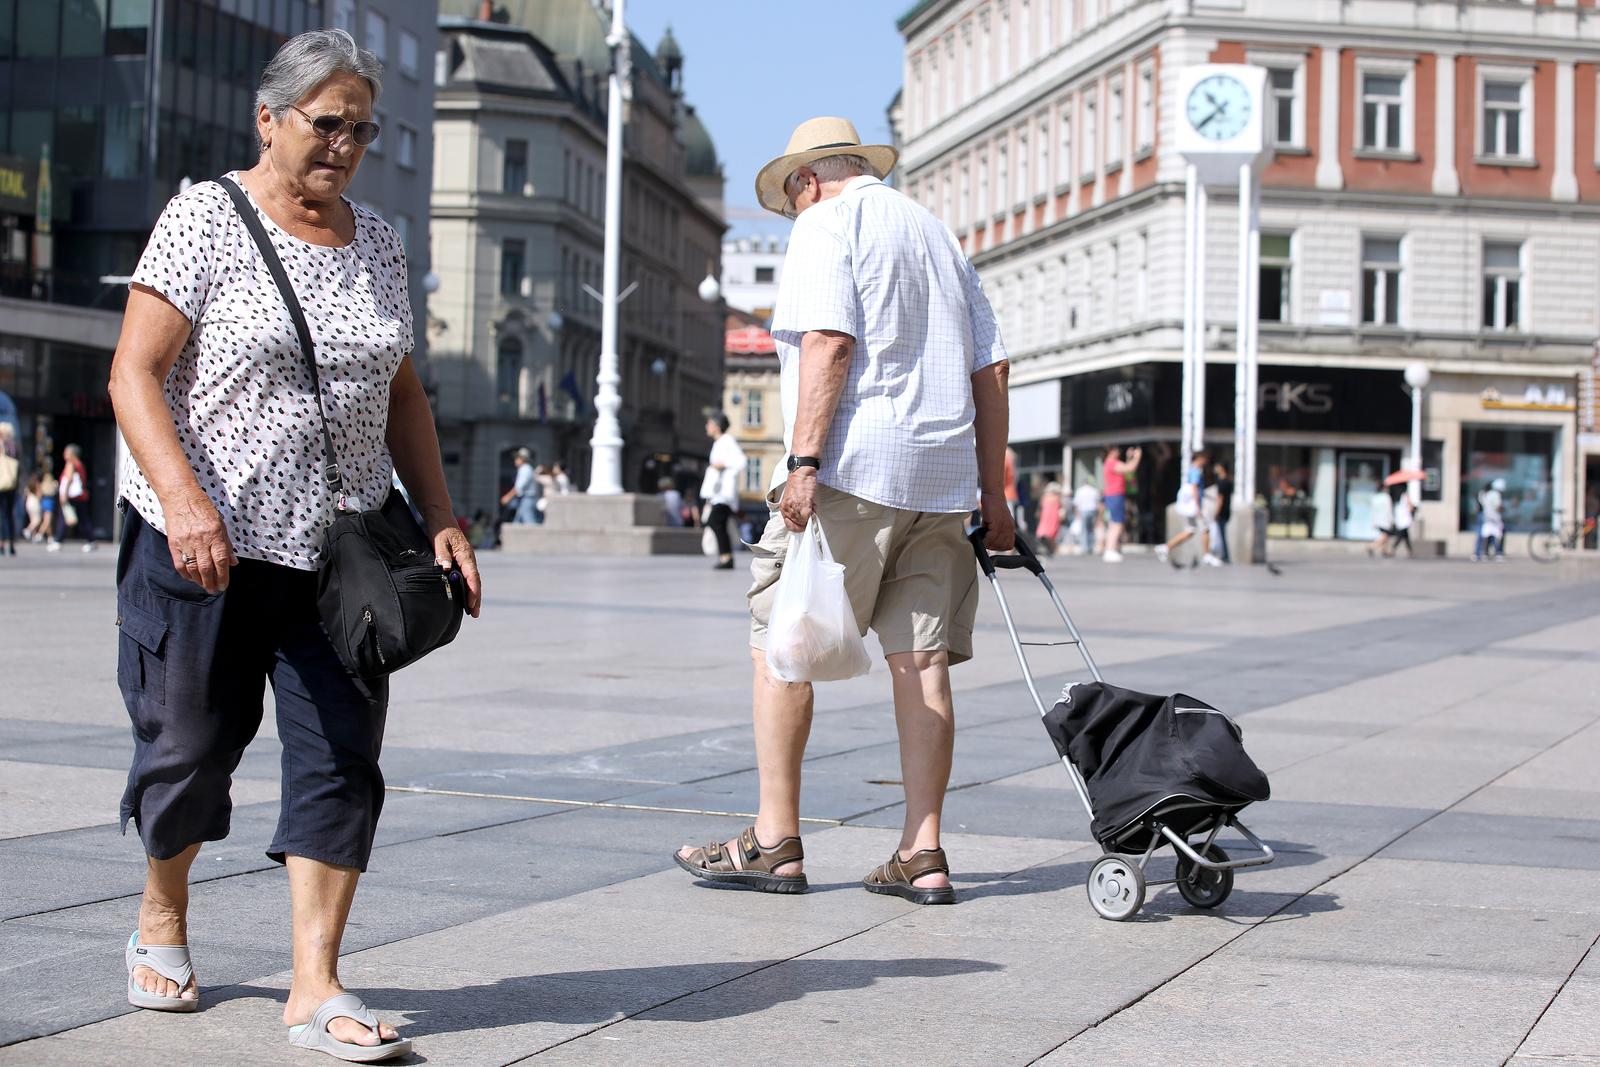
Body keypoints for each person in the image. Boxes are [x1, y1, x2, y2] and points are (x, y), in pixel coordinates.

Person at [105, 29, 480, 1061]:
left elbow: (403, 386)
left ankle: (314, 983)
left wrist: (441, 512)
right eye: (328, 125)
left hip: (340, 551)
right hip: (206, 544)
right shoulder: (202, 220)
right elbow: (133, 373)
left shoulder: (381, 244)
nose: (346, 146)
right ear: (267, 119)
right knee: (187, 748)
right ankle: (162, 915)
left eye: (363, 128)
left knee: (341, 758)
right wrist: (184, 503)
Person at [674, 117, 1014, 905]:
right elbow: (992, 365)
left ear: (806, 181)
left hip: (855, 469)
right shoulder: (935, 231)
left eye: (789, 199)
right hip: (940, 479)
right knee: (922, 662)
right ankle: (921, 850)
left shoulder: (827, 223)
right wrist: (992, 492)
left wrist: (802, 463)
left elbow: (828, 341)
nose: (791, 213)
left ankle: (773, 839)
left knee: (782, 639)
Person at [1156, 452, 1219, 567]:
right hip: (1195, 505)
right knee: (1205, 529)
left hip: (1193, 505)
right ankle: (1207, 555)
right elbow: (1194, 488)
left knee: (1190, 530)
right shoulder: (1196, 471)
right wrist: (1197, 506)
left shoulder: (1192, 470)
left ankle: (1166, 547)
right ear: (1199, 458)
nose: (1205, 462)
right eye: (1204, 459)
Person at [702, 412, 746, 570]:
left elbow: (741, 461)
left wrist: (723, 464)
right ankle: (725, 557)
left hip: (724, 494)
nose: (706, 427)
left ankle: (726, 557)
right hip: (718, 493)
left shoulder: (727, 440)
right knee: (717, 522)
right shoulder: (719, 442)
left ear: (716, 425)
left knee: (715, 521)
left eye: (709, 424)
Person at [1101, 445, 1141, 562]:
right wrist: (1137, 457)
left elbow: (1125, 470)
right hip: (1115, 495)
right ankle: (1110, 550)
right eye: (1117, 450)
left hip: (1112, 495)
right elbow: (1130, 469)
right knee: (1117, 523)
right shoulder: (1112, 463)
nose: (1119, 452)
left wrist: (1129, 458)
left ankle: (1110, 549)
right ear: (1111, 451)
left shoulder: (1109, 463)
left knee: (1114, 523)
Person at [58, 443, 94, 551]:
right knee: (83, 519)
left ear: (71, 454)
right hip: (81, 496)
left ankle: (57, 540)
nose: (64, 454)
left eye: (66, 452)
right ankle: (90, 540)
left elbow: (68, 479)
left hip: (73, 496)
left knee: (64, 517)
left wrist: (64, 494)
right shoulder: (80, 464)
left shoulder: (71, 464)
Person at [500, 447, 540, 524]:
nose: (515, 460)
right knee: (517, 522)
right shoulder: (525, 469)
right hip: (524, 499)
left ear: (522, 459)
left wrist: (507, 497)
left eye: (517, 458)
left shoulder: (525, 469)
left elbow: (519, 487)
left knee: (529, 522)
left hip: (527, 499)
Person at [1475, 478, 1506, 562]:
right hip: (1495, 519)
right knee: (1498, 536)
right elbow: (1498, 507)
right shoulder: (1496, 495)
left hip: (1487, 517)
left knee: (1485, 536)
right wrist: (1504, 509)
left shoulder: (1486, 494)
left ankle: (1483, 553)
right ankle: (1498, 553)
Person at [1211, 461, 1234, 565]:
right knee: (1222, 533)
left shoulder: (1222, 482)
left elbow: (1220, 499)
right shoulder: (1228, 481)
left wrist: (1216, 512)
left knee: (1221, 534)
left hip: (1222, 511)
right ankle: (1225, 555)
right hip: (1227, 510)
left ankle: (1225, 555)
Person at [1071, 478, 1101, 557]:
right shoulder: (1094, 490)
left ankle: (1084, 547)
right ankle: (1090, 547)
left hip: (1083, 511)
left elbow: (1077, 503)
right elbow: (1097, 503)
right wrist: (1098, 516)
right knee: (1091, 530)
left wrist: (1077, 514)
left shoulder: (1080, 491)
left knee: (1084, 530)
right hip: (1092, 511)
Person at [0, 424, 17, 556]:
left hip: (1, 484)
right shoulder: (14, 446)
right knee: (9, 515)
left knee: (1, 515)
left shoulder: (1, 446)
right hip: (11, 485)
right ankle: (11, 543)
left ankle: (1, 543)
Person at [1035, 479, 1064, 556]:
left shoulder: (1045, 497)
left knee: (1043, 533)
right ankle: (1051, 550)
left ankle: (1047, 549)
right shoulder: (1057, 498)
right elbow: (1061, 507)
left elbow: (1040, 508)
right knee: (1052, 535)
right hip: (1053, 518)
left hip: (1046, 517)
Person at [1367, 484, 1394, 558]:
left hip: (1377, 520)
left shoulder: (1375, 498)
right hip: (1385, 520)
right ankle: (1372, 546)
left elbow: (1373, 510)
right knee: (1385, 536)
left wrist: (1373, 520)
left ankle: (1384, 551)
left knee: (1385, 535)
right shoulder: (1386, 497)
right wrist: (1391, 520)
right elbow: (1389, 510)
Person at [1389, 486, 1415, 558]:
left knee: (1406, 536)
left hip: (1399, 518)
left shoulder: (1396, 497)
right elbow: (1410, 507)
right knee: (1401, 535)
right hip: (1404, 518)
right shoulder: (1405, 496)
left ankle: (1410, 551)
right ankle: (1393, 548)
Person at [22, 471, 44, 544]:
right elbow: (39, 495)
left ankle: (33, 537)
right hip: (35, 503)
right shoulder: (37, 485)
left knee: (32, 520)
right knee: (37, 520)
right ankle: (28, 530)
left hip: (28, 503)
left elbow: (25, 494)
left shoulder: (28, 485)